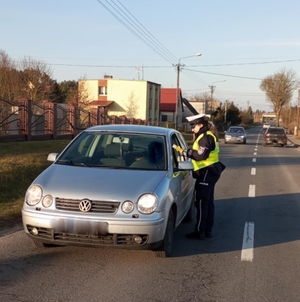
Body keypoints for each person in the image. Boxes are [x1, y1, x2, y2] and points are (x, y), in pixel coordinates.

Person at [183, 114, 226, 240]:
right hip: (210, 171)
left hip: (207, 171)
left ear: (200, 125)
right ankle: (207, 230)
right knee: (208, 202)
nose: (192, 129)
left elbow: (201, 156)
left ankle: (200, 231)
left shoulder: (205, 137)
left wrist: (188, 152)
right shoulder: (205, 136)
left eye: (193, 126)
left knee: (202, 202)